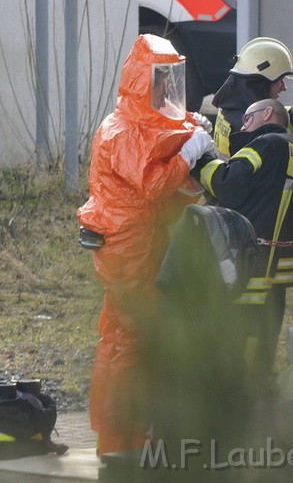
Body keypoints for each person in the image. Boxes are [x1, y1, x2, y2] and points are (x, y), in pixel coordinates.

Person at [76, 34, 216, 456]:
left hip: (137, 239)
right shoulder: (121, 130)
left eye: (169, 79)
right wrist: (191, 151)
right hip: (127, 244)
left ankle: (119, 433)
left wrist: (191, 131)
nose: (166, 90)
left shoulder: (138, 123)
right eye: (159, 80)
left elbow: (163, 151)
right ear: (141, 80)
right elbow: (155, 183)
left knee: (121, 334)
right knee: (131, 337)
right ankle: (121, 440)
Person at [193, 97, 293, 383]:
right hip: (271, 270)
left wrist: (199, 157)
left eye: (247, 118)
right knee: (260, 349)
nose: (243, 125)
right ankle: (257, 406)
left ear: (267, 114)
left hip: (248, 266)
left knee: (234, 347)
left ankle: (236, 407)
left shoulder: (266, 144)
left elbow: (227, 184)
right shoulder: (288, 148)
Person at [211, 36, 293, 156]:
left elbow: (278, 118)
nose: (284, 87)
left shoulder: (234, 108)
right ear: (261, 83)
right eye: (279, 80)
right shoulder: (252, 128)